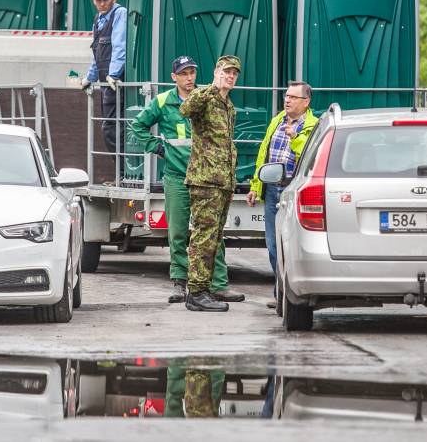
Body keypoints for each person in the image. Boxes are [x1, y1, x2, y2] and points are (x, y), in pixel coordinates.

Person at [127, 55, 244, 304]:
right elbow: (137, 126)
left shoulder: (211, 100)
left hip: (207, 177)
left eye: (192, 72)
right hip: (178, 174)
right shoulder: (164, 101)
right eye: (184, 73)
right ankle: (180, 282)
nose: (189, 77)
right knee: (179, 232)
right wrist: (158, 148)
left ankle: (218, 283)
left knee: (211, 232)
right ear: (174, 77)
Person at [180, 55, 242, 312]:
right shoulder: (206, 97)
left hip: (222, 182)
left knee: (214, 238)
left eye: (233, 74)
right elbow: (186, 109)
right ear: (216, 72)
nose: (230, 76)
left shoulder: (228, 106)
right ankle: (195, 292)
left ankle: (206, 287)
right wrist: (211, 87)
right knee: (203, 237)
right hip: (205, 180)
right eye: (226, 71)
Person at [247, 81, 316, 306]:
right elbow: (263, 155)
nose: (287, 100)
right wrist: (255, 186)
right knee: (272, 244)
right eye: (286, 96)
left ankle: (291, 294)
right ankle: (281, 291)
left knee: (292, 243)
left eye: (293, 97)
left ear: (306, 102)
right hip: (272, 188)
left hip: (293, 191)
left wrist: (294, 136)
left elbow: (309, 157)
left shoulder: (313, 126)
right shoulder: (277, 120)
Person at [82, 0, 127, 161]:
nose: (102, 3)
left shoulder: (119, 13)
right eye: (98, 0)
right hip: (104, 81)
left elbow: (119, 46)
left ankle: (123, 172)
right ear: (94, 1)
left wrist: (114, 74)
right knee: (109, 128)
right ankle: (121, 173)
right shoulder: (98, 19)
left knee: (114, 127)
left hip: (114, 81)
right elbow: (97, 52)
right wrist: (89, 77)